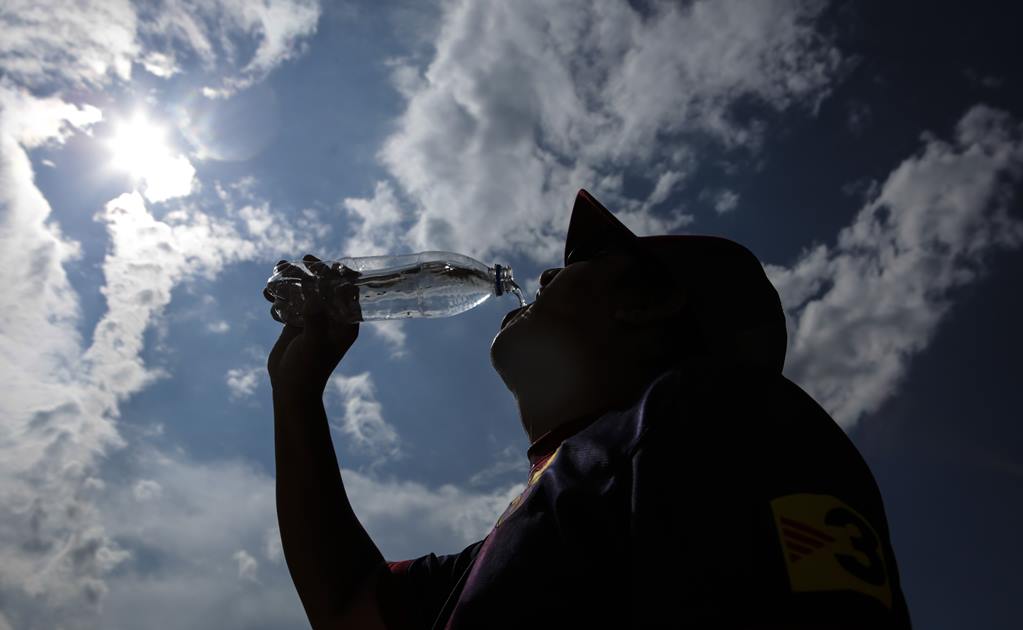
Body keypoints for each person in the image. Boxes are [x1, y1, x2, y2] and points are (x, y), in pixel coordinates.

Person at [265, 189, 912, 629]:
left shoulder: (724, 415)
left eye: (582, 262)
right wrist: (296, 395)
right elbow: (350, 607)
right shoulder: (515, 540)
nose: (545, 276)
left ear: (648, 303)